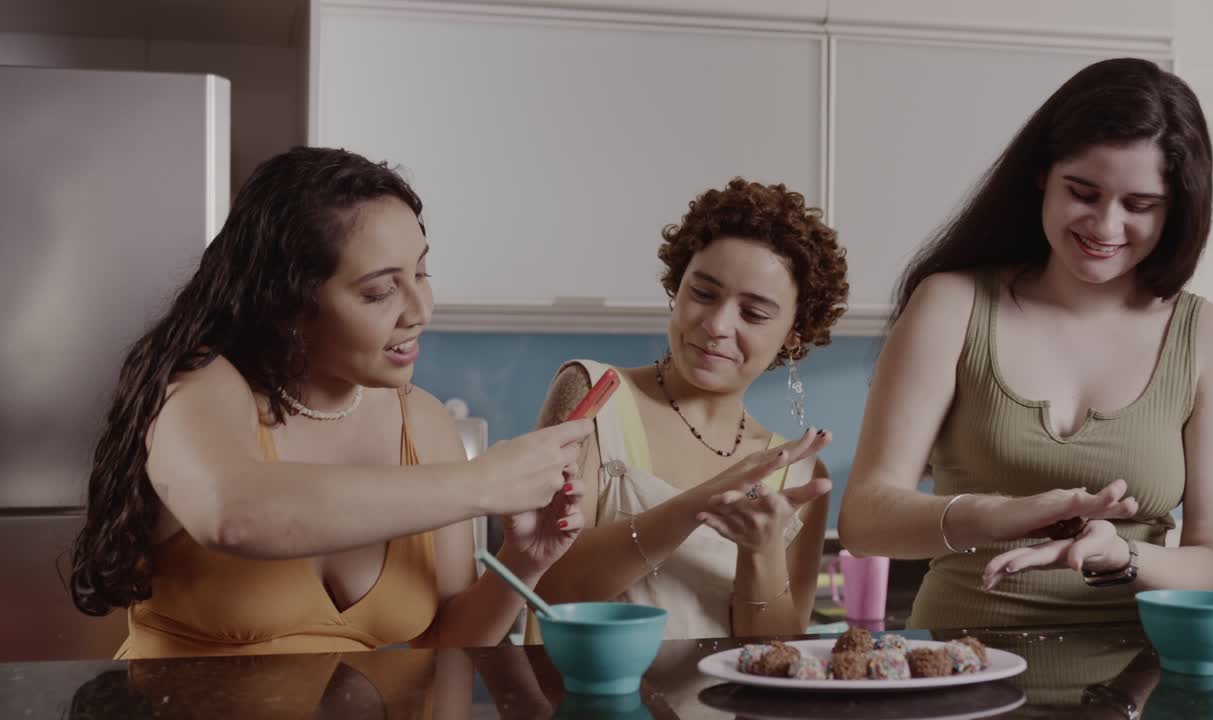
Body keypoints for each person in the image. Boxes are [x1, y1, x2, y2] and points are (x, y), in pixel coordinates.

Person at [68, 147, 592, 658]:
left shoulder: (423, 423)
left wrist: (522, 562)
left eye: (422, 274)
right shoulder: (203, 383)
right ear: (290, 299)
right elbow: (233, 513)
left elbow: (445, 641)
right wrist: (483, 483)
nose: (419, 311)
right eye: (379, 292)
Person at [838, 57, 1213, 629]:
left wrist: (1122, 555)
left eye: (1139, 206)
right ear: (1042, 173)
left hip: (1139, 683)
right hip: (958, 673)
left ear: (1177, 209)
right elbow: (866, 520)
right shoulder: (952, 305)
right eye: (1083, 192)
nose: (1106, 227)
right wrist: (1006, 514)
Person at [531, 178, 849, 639]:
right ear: (676, 288)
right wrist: (695, 505)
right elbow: (546, 592)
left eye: (754, 314)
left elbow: (777, 657)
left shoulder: (795, 476)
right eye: (703, 293)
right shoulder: (594, 394)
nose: (717, 324)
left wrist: (761, 552)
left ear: (793, 335)